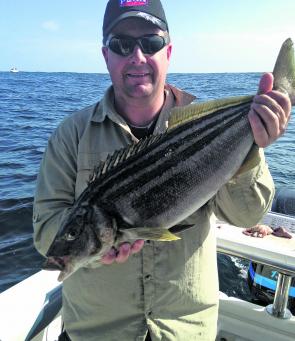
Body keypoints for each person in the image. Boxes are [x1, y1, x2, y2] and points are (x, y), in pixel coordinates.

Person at [33, 0, 291, 340]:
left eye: (150, 43)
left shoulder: (209, 128)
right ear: (105, 54)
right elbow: (45, 228)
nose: (137, 56)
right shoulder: (70, 135)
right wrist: (93, 254)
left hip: (184, 331)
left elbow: (245, 217)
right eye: (122, 44)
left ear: (168, 51)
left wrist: (253, 147)